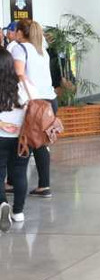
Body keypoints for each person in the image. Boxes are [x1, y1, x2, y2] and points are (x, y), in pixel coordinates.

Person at [11, 19, 57, 198]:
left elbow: (19, 73)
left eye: (16, 30)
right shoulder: (41, 50)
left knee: (24, 142)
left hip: (33, 102)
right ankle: (44, 185)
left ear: (21, 33)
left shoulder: (19, 48)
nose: (14, 34)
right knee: (41, 144)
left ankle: (15, 185)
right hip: (49, 101)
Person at [0, 49, 34, 230]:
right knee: (20, 172)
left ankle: (2, 204)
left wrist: (2, 124)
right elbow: (34, 107)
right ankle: (18, 212)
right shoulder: (22, 84)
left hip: (1, 137)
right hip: (22, 137)